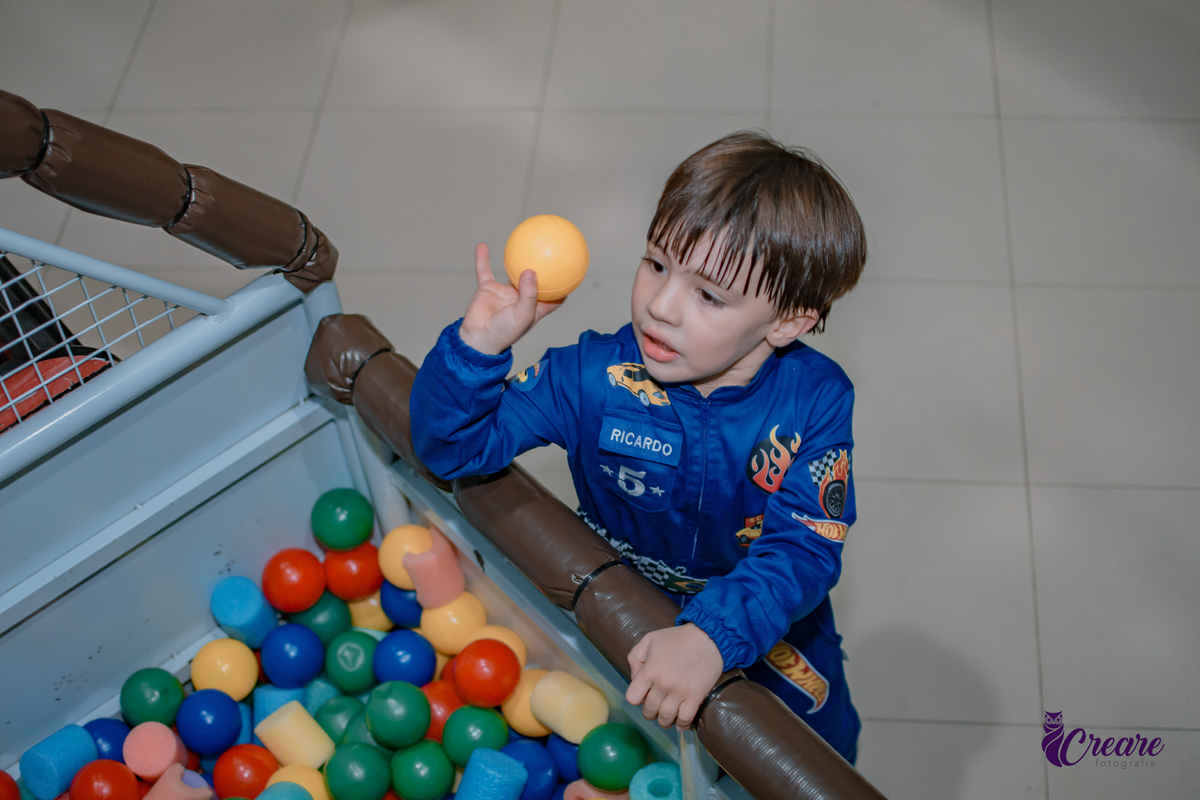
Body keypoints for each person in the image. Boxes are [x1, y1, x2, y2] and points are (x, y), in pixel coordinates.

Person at [410, 131, 867, 762]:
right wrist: (475, 351)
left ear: (788, 320)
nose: (661, 307)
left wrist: (713, 636)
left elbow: (804, 547)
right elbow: (452, 450)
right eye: (656, 264)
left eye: (708, 295)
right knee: (631, 755)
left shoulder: (814, 400)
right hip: (620, 619)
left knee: (809, 757)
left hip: (767, 629)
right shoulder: (589, 377)